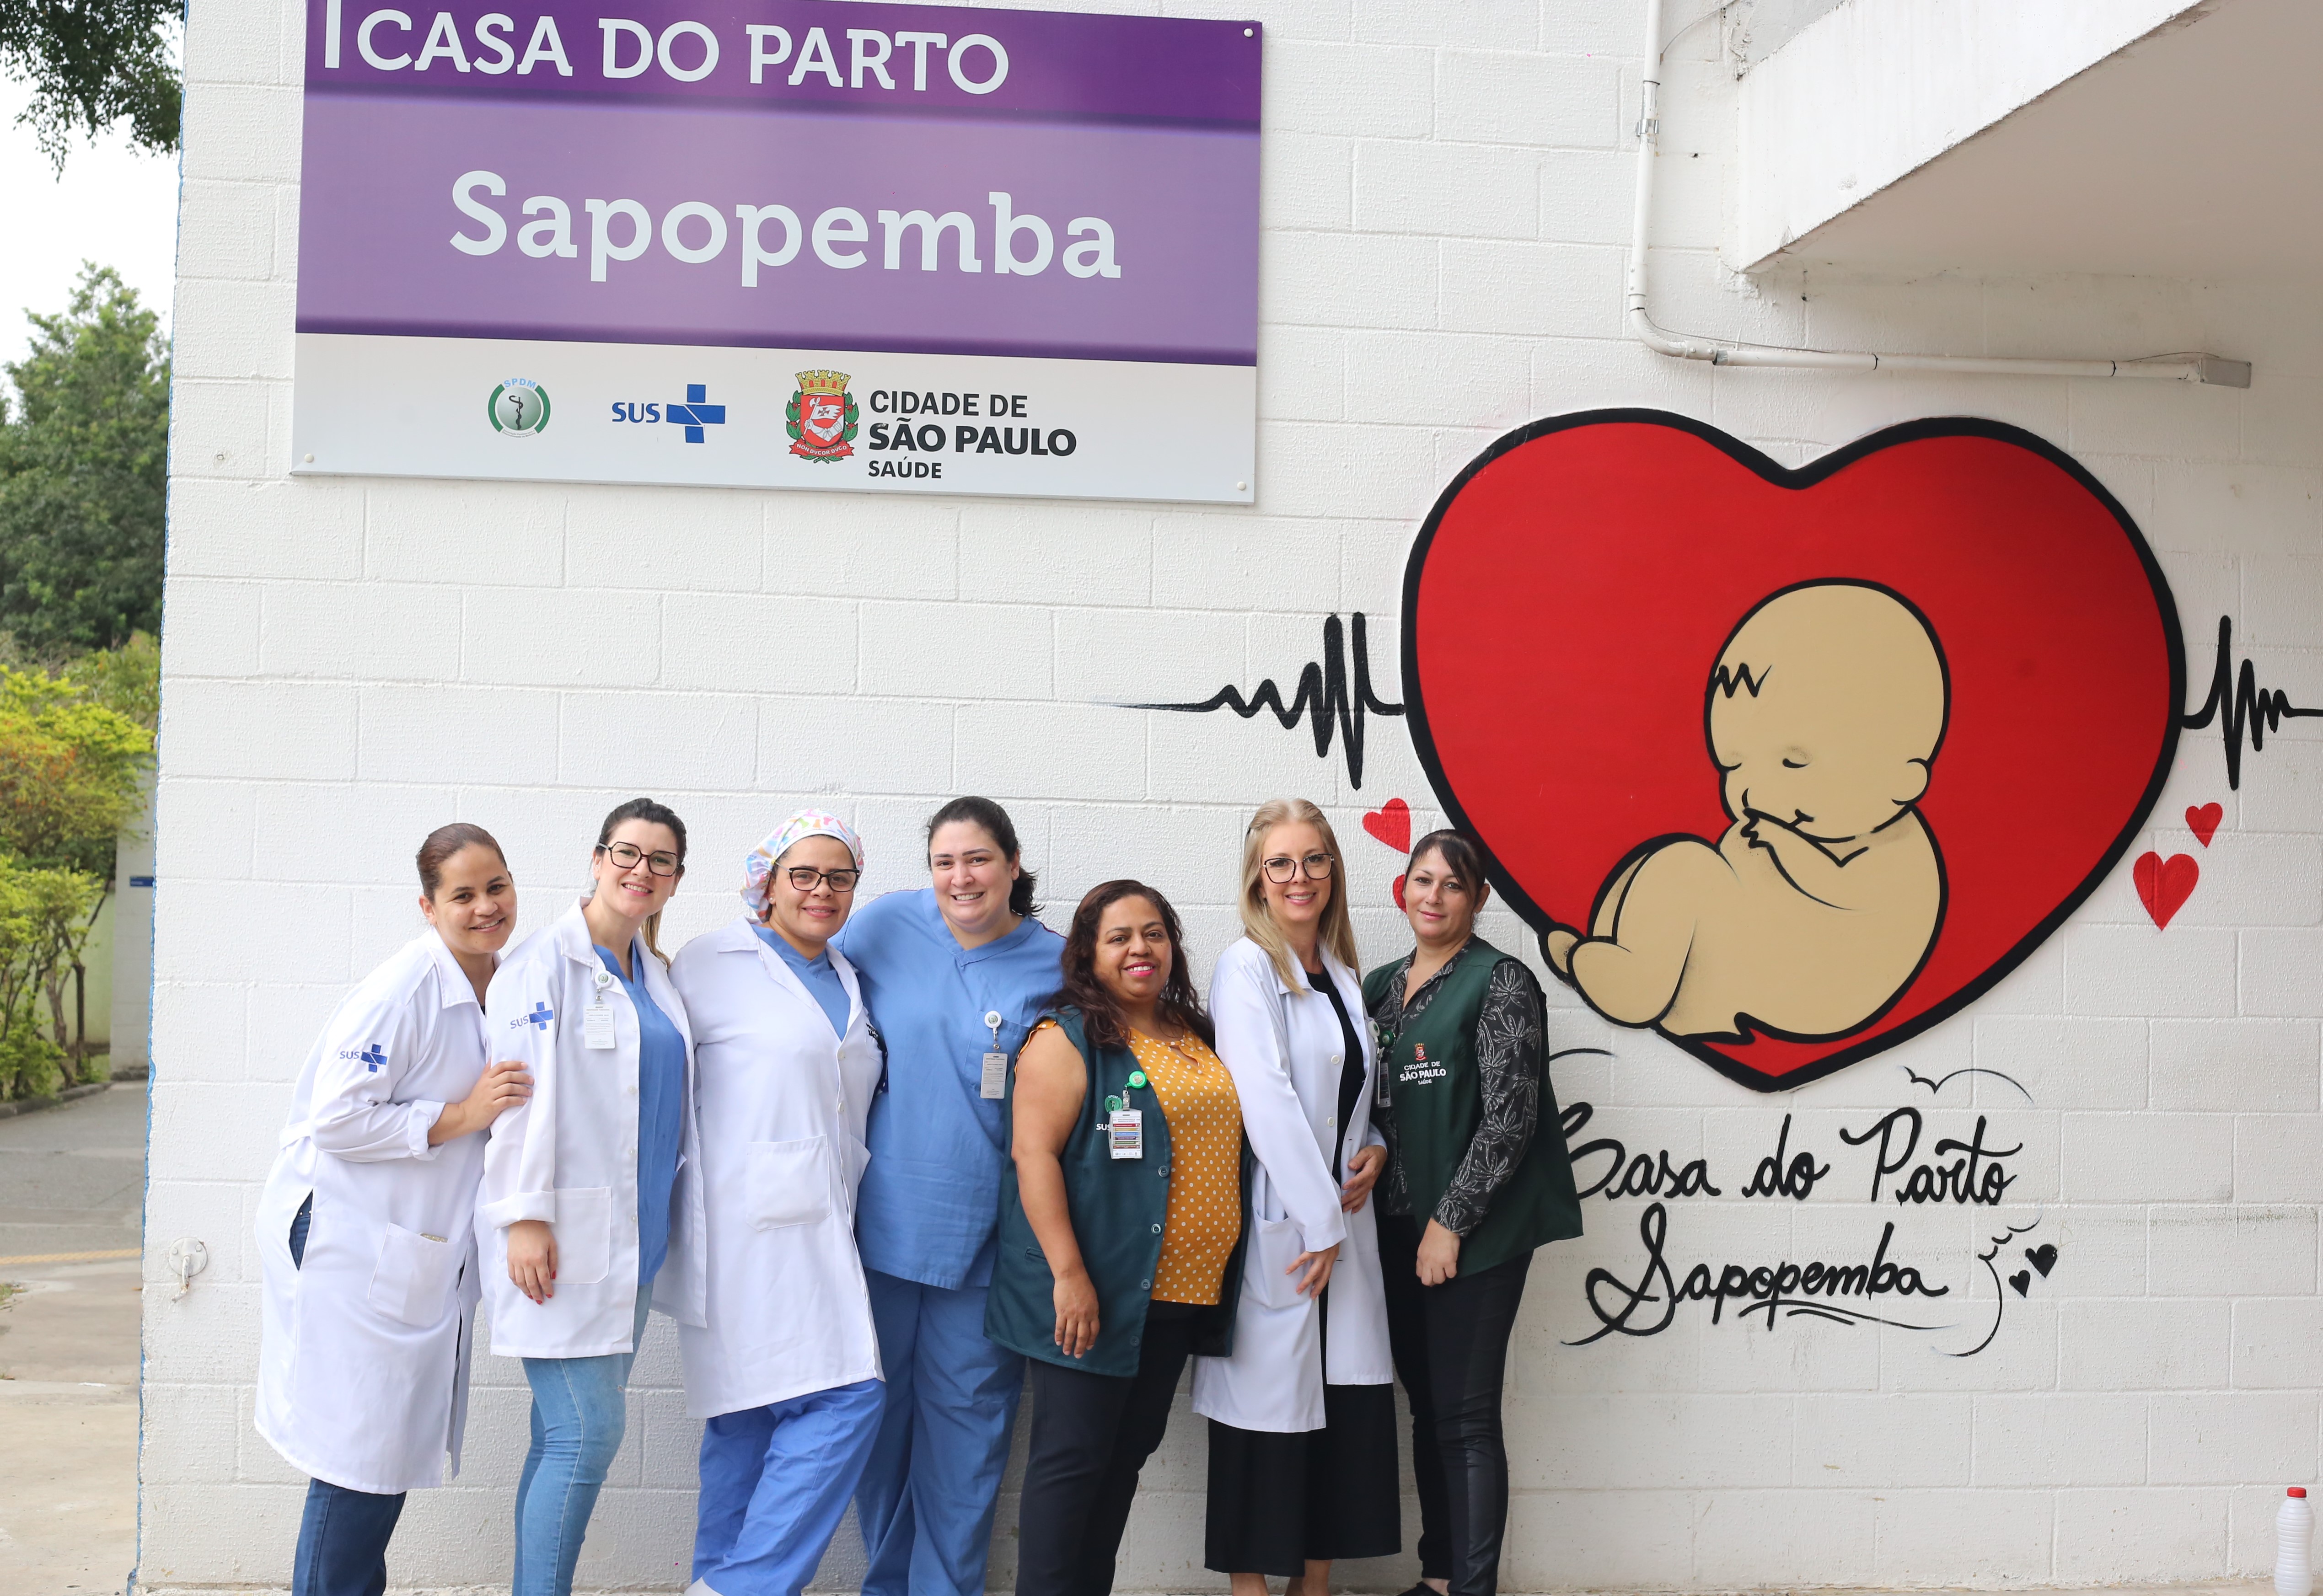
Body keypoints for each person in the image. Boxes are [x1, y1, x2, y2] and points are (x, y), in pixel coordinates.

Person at [254, 824, 533, 1596]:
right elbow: (337, 1119)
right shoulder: (402, 991)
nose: (486, 907)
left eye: (497, 887)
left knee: (381, 1461)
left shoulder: (504, 983)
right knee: (357, 1464)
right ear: (428, 906)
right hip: (350, 1237)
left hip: (412, 1244)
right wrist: (459, 1114)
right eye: (464, 895)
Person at [987, 880, 1250, 1596]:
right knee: (1072, 1463)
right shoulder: (1068, 1037)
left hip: (1176, 1293)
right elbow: (1032, 1155)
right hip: (1096, 1292)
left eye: (1155, 933)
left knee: (1125, 1458)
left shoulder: (1196, 1031)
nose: (1141, 948)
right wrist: (1069, 1275)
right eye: (1120, 937)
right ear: (1088, 954)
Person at [834, 797, 1064, 1596]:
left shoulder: (1055, 963)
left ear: (1011, 864)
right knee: (878, 1427)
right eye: (945, 861)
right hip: (882, 1232)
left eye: (977, 860)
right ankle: (888, 1584)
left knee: (967, 1439)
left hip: (989, 1241)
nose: (960, 877)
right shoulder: (885, 926)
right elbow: (798, 980)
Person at [479, 797, 706, 1596]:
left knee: (559, 1436)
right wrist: (525, 1216)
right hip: (560, 1237)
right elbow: (515, 1102)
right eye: (628, 852)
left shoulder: (657, 974)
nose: (641, 870)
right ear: (598, 856)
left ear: (677, 880)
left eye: (662, 861)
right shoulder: (542, 964)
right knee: (589, 1432)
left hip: (634, 1244)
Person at [668, 811, 888, 1596]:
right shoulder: (709, 962)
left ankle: (716, 1578)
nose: (822, 890)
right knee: (848, 1397)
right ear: (768, 880)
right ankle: (742, 1588)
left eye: (840, 876)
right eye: (804, 873)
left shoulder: (846, 972)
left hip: (827, 1217)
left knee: (748, 1418)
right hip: (742, 1224)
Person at [1363, 830, 1583, 1596]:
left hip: (1473, 1237)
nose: (1433, 895)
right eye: (1421, 880)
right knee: (1426, 1409)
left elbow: (1510, 1119)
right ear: (1403, 889)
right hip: (1395, 1231)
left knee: (1464, 1415)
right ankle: (1440, 1575)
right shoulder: (1380, 988)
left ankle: (1475, 1586)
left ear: (1478, 898)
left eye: (1452, 885)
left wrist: (1450, 1222)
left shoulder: (1501, 981)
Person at [1195, 800, 1397, 1596]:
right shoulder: (1246, 966)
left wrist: (1377, 1140)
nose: (1299, 877)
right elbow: (1267, 1099)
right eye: (1281, 862)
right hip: (1289, 1216)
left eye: (1314, 859)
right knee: (1262, 1412)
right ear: (1258, 877)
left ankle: (1315, 1580)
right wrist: (1318, 1223)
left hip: (1344, 1215)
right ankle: (1251, 1584)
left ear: (1334, 870)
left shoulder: (1345, 975)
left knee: (1344, 1405)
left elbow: (1353, 1096)